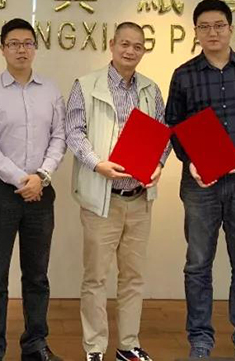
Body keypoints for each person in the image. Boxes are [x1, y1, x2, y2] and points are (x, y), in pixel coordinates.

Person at [164, 0, 235, 359]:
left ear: (231, 28)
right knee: (198, 264)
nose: (212, 32)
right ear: (196, 32)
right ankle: (200, 339)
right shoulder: (184, 74)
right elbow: (173, 124)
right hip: (201, 182)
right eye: (204, 26)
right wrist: (189, 161)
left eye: (218, 25)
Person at [65, 22, 167, 361]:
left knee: (133, 278)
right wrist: (97, 164)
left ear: (143, 50)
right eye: (124, 43)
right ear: (112, 44)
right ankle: (94, 348)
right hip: (102, 199)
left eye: (137, 46)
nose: (130, 51)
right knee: (96, 278)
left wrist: (159, 164)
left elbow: (163, 133)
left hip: (138, 199)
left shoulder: (150, 89)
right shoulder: (86, 85)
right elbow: (74, 132)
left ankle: (128, 345)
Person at [0, 18, 67, 361]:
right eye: (13, 44)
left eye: (27, 43)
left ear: (35, 48)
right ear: (2, 49)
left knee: (37, 276)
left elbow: (60, 137)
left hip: (41, 192)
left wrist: (40, 176)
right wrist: (21, 179)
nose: (21, 50)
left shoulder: (51, 90)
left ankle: (35, 344)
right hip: (2, 193)